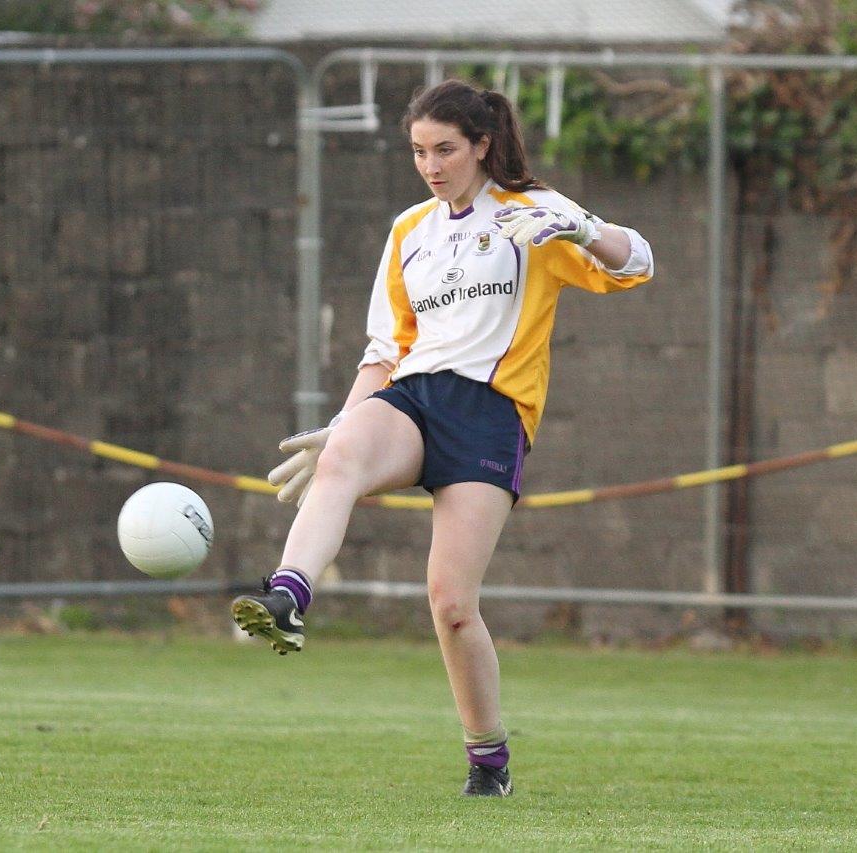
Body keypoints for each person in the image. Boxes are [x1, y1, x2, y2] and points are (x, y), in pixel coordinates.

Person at [231, 79, 655, 797]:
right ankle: (286, 598)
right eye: (419, 151)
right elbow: (383, 351)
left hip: (491, 414)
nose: (431, 164)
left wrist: (581, 228)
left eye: (446, 149)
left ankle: (488, 762)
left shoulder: (535, 212)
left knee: (452, 604)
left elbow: (637, 260)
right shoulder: (408, 232)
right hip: (414, 396)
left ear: (482, 145)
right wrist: (342, 425)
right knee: (343, 454)